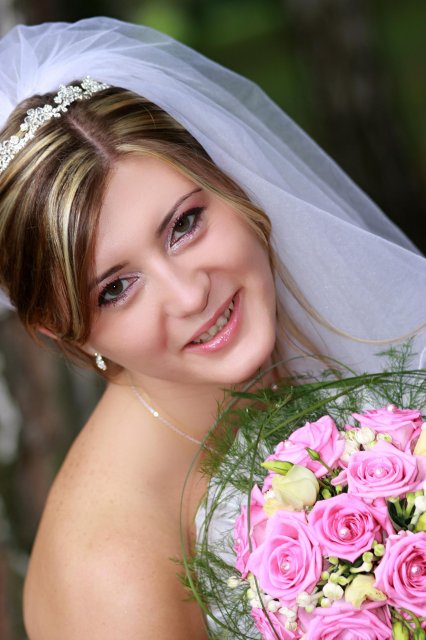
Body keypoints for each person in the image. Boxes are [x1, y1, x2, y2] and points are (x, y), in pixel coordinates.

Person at [0, 17, 425, 640]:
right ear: (63, 333)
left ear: (232, 181)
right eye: (116, 288)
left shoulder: (315, 345)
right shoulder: (114, 578)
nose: (189, 293)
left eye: (184, 225)